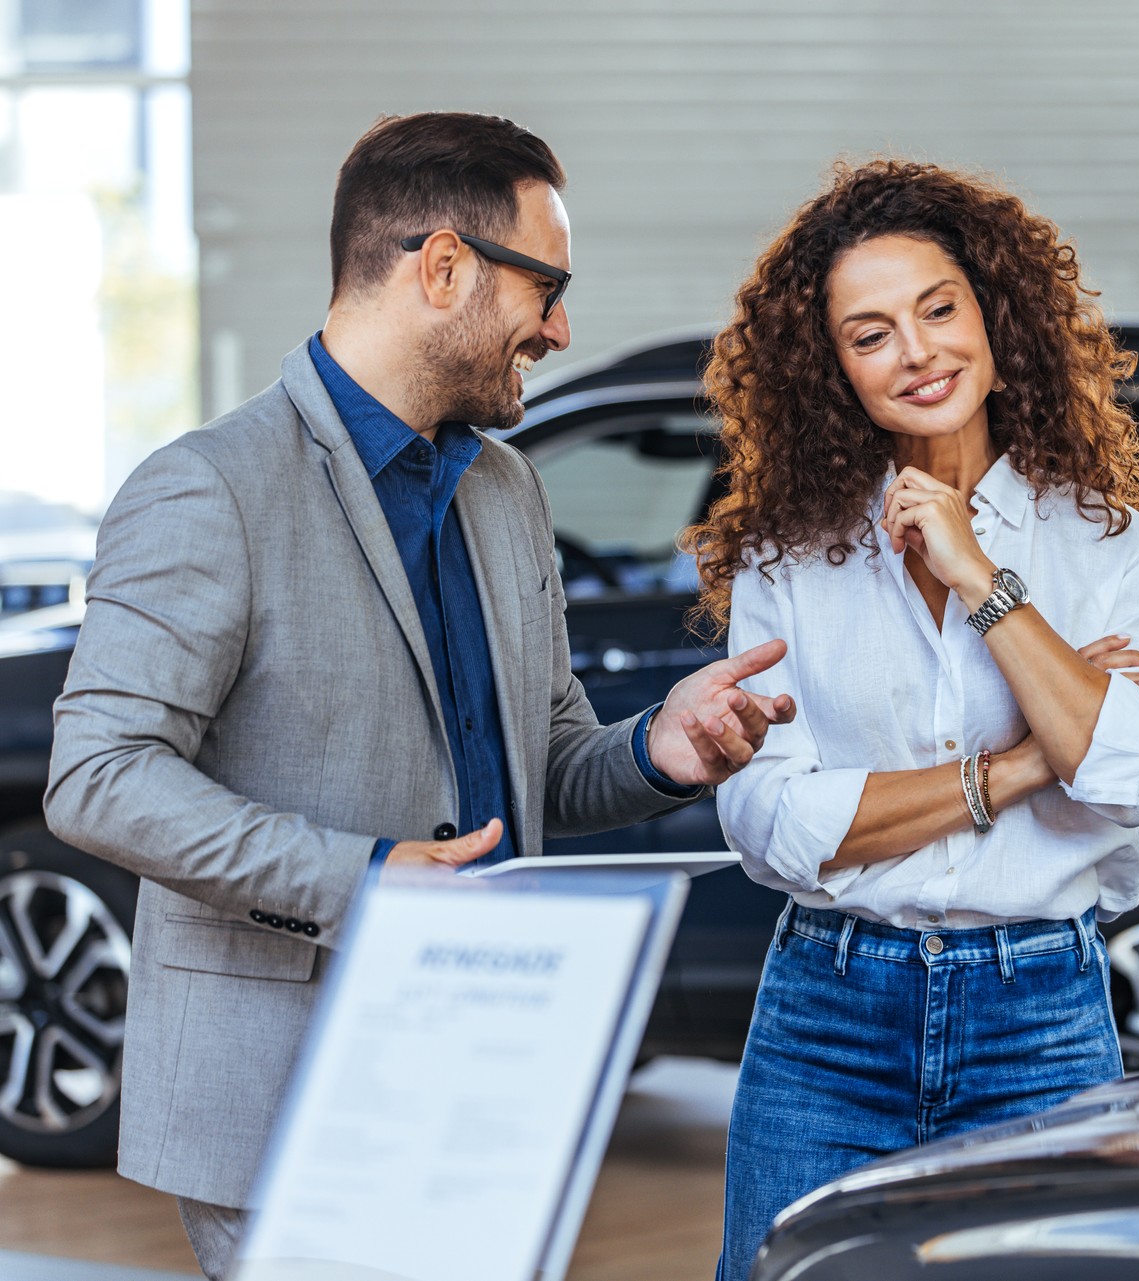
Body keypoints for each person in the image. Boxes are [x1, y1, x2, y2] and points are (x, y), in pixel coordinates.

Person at [43, 111, 793, 1280]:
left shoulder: (504, 491)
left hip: (489, 1080)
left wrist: (662, 749)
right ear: (442, 268)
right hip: (289, 1090)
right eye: (545, 288)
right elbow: (97, 777)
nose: (560, 327)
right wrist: (364, 881)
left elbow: (539, 766)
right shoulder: (208, 489)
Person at [691, 158, 1139, 1279]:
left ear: (995, 318)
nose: (916, 353)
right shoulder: (789, 558)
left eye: (937, 310)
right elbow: (771, 821)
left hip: (1042, 1019)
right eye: (870, 335)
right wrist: (1018, 767)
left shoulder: (1105, 544)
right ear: (835, 372)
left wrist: (980, 576)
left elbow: (1125, 778)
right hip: (828, 1011)